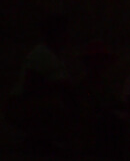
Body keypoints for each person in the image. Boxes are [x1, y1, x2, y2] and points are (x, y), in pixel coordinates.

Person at [5, 14, 82, 152]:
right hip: (22, 105)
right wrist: (60, 86)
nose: (67, 37)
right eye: (64, 32)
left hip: (32, 103)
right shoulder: (41, 54)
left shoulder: (55, 56)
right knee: (56, 105)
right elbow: (30, 86)